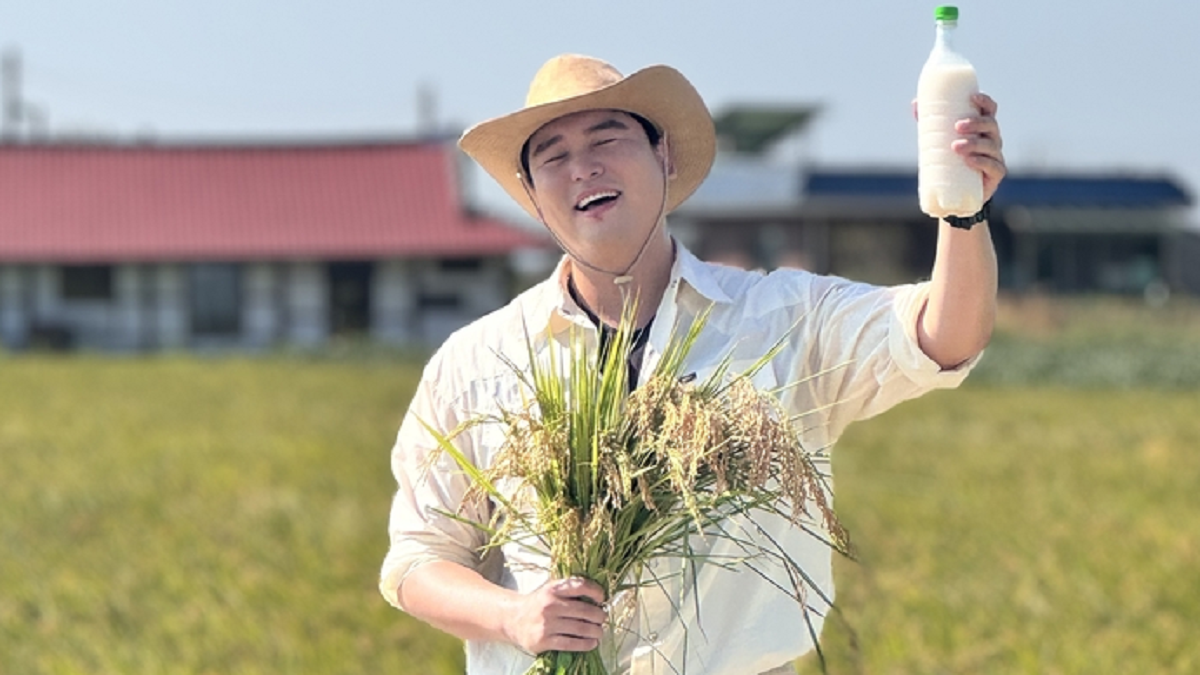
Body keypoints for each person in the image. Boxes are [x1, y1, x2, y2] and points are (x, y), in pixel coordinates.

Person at [380, 54, 1005, 674]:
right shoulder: (479, 360)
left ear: (665, 156)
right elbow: (417, 561)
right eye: (553, 157)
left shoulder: (781, 318)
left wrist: (963, 210)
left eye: (608, 137)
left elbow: (942, 337)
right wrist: (513, 616)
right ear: (534, 197)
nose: (584, 167)